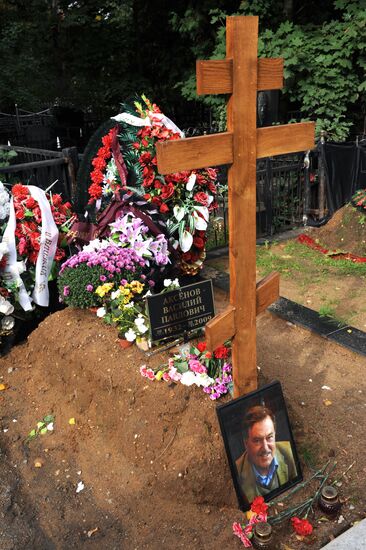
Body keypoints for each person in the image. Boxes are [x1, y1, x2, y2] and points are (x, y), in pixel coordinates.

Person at [235, 405, 297, 504]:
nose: (265, 448)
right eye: (257, 440)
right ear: (246, 444)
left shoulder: (290, 452)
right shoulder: (237, 472)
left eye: (269, 437)